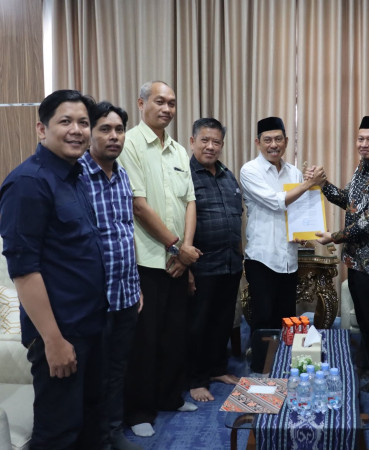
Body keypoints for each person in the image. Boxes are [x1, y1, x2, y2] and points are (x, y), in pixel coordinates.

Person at [0, 90, 107, 448]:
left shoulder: (75, 176)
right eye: (66, 121)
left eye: (83, 123)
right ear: (41, 129)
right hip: (61, 333)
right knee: (59, 433)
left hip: (90, 325)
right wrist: (53, 340)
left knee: (91, 424)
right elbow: (24, 271)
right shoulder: (28, 183)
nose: (77, 130)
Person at [119, 81, 200, 438]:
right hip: (146, 261)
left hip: (178, 261)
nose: (167, 109)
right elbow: (138, 206)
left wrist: (186, 251)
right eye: (159, 101)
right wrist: (176, 247)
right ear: (141, 104)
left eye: (172, 103)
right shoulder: (129, 144)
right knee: (145, 340)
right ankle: (139, 410)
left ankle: (170, 396)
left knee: (174, 335)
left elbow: (190, 203)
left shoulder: (179, 150)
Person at [312, 116, 369, 392]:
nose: (364, 144)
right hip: (357, 260)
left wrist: (333, 236)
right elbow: (348, 201)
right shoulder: (362, 168)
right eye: (361, 139)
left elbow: (368, 221)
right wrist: (322, 184)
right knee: (365, 318)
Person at [79, 101, 143, 450]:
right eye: (105, 129)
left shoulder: (121, 176)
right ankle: (97, 439)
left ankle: (113, 432)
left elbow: (125, 233)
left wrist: (136, 285)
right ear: (90, 133)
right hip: (93, 299)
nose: (114, 136)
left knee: (118, 369)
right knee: (94, 374)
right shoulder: (76, 177)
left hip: (125, 294)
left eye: (119, 129)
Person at [240, 116, 325, 373]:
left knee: (287, 317)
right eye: (267, 140)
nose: (273, 145)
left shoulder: (293, 172)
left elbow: (297, 210)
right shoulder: (249, 171)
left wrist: (302, 231)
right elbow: (277, 202)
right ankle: (261, 373)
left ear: (286, 141)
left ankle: (282, 368)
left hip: (288, 257)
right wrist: (309, 183)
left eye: (278, 139)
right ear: (257, 142)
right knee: (263, 318)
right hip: (262, 257)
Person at [187, 118, 243, 402]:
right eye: (205, 140)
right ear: (192, 141)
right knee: (198, 325)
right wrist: (187, 268)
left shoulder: (227, 175)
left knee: (223, 320)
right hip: (202, 265)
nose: (210, 146)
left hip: (230, 262)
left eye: (216, 142)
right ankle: (196, 379)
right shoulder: (185, 175)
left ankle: (217, 368)